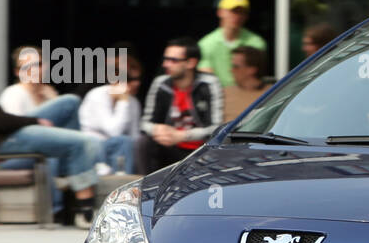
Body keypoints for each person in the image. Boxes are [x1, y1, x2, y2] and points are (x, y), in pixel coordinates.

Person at [0, 22, 99, 228]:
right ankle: (85, 212)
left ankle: (71, 172)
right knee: (81, 142)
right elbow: (1, 120)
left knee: (70, 102)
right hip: (4, 141)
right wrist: (35, 121)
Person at [136, 38, 223, 174]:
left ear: (191, 63)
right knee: (143, 142)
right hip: (168, 146)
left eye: (173, 60)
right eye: (166, 59)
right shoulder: (161, 83)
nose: (166, 64)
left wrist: (182, 136)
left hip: (199, 149)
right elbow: (144, 123)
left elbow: (216, 127)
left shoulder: (208, 83)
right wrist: (156, 129)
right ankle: (143, 187)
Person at [0, 45, 82, 129]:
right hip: (23, 138)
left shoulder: (48, 92)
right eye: (26, 67)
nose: (34, 70)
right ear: (17, 72)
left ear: (45, 66)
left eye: (38, 64)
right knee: (71, 101)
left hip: (46, 139)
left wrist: (54, 99)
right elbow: (14, 130)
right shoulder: (13, 93)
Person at [79, 67, 141, 176]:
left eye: (138, 79)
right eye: (130, 80)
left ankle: (127, 182)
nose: (136, 83)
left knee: (130, 143)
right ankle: (120, 184)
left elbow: (135, 136)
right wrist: (122, 101)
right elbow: (114, 131)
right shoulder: (97, 95)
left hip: (117, 149)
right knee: (123, 140)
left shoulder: (133, 102)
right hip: (92, 146)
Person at [198, 0, 267, 89]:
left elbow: (255, 77)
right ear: (220, 12)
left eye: (242, 12)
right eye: (233, 11)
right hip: (219, 95)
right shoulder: (205, 44)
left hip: (249, 93)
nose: (238, 16)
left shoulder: (256, 43)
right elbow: (206, 76)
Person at [222, 45, 273, 121]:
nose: (231, 70)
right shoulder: (223, 93)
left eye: (235, 66)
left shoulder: (273, 94)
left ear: (251, 70)